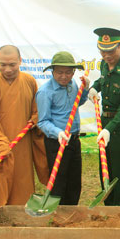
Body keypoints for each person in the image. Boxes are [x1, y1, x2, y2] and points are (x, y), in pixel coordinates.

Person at [0, 45, 49, 211]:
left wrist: (35, 118)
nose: (8, 69)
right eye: (3, 65)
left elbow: (36, 110)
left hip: (22, 146)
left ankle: (21, 218)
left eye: (12, 64)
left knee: (22, 184)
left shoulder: (29, 82)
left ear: (20, 61)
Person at [89, 28, 120, 206]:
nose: (106, 55)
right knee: (105, 167)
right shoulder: (104, 64)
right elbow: (102, 79)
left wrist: (109, 129)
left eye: (110, 50)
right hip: (105, 122)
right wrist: (95, 87)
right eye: (103, 50)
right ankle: (108, 207)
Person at [36, 51, 89, 205]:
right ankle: (57, 216)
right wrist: (58, 132)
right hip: (57, 142)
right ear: (52, 71)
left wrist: (85, 89)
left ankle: (72, 214)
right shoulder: (45, 92)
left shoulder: (72, 84)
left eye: (68, 72)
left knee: (74, 181)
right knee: (59, 182)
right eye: (59, 72)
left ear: (73, 72)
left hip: (74, 140)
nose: (64, 76)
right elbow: (43, 121)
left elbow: (78, 102)